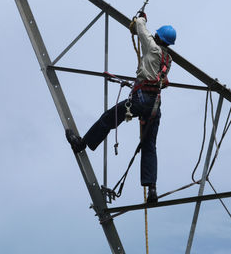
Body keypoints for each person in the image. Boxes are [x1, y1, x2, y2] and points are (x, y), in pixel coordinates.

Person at [65, 13, 176, 203]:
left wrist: (141, 17)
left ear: (158, 37)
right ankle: (152, 190)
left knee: (109, 118)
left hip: (141, 100)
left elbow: (141, 28)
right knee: (149, 145)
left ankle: (81, 144)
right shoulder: (168, 60)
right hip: (155, 107)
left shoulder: (153, 49)